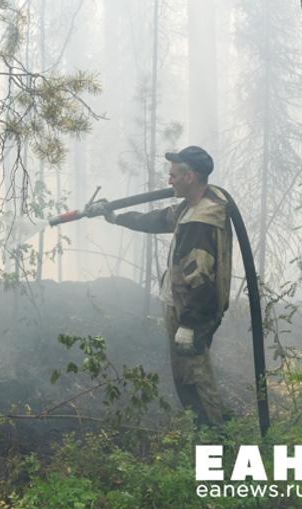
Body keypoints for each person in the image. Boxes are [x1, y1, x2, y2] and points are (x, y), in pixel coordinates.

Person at [91, 146, 232, 426]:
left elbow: (201, 280)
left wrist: (189, 325)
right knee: (186, 378)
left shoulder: (200, 222)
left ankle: (214, 439)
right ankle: (206, 433)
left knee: (196, 380)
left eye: (174, 175)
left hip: (191, 312)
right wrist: (116, 217)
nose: (169, 180)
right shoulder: (195, 204)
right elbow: (158, 219)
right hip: (183, 307)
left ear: (190, 177)